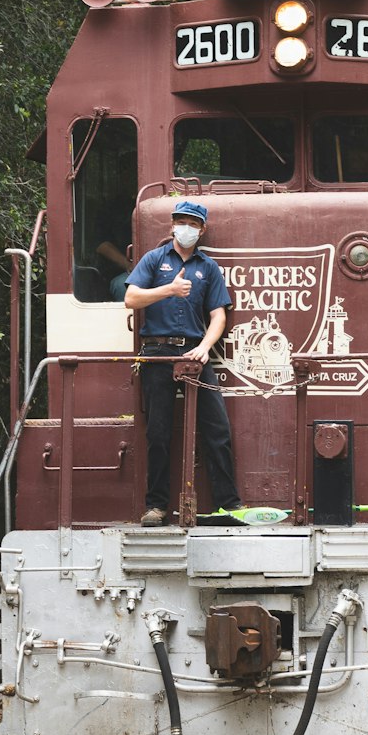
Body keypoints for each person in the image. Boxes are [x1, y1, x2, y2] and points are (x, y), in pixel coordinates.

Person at [124, 200, 242, 526]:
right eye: (180, 221)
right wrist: (169, 290)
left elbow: (219, 315)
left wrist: (205, 347)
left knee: (217, 429)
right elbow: (131, 298)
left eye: (192, 222)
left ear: (201, 229)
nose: (185, 227)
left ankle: (229, 506)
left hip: (194, 354)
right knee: (158, 433)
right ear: (173, 224)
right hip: (157, 354)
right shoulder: (154, 259)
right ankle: (157, 507)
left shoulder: (209, 267)